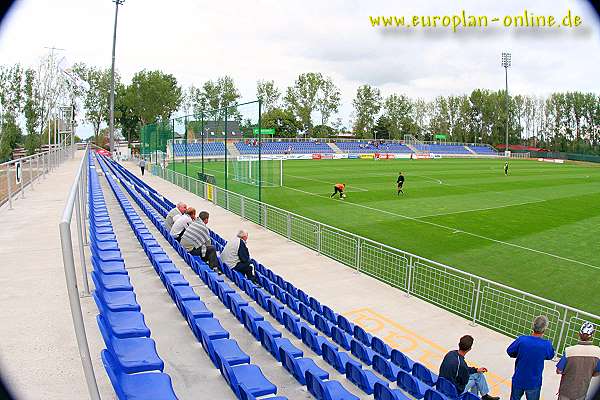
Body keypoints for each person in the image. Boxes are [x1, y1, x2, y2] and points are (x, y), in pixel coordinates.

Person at [507, 315, 555, 400]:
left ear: (533, 325)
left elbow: (510, 351)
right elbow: (550, 355)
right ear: (545, 328)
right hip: (534, 382)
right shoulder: (546, 344)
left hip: (519, 379)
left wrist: (520, 354)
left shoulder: (522, 340)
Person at [439, 335, 499, 400]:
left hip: (442, 384)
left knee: (478, 374)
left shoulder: (451, 353)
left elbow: (464, 370)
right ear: (469, 349)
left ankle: (484, 396)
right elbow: (464, 381)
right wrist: (474, 372)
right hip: (452, 391)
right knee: (476, 380)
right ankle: (483, 396)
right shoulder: (461, 364)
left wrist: (476, 370)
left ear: (459, 344)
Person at [556, 322, 600, 400]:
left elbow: (559, 370)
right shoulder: (597, 352)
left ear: (579, 334)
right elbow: (596, 373)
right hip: (581, 392)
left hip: (565, 392)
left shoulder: (569, 351)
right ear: (592, 335)